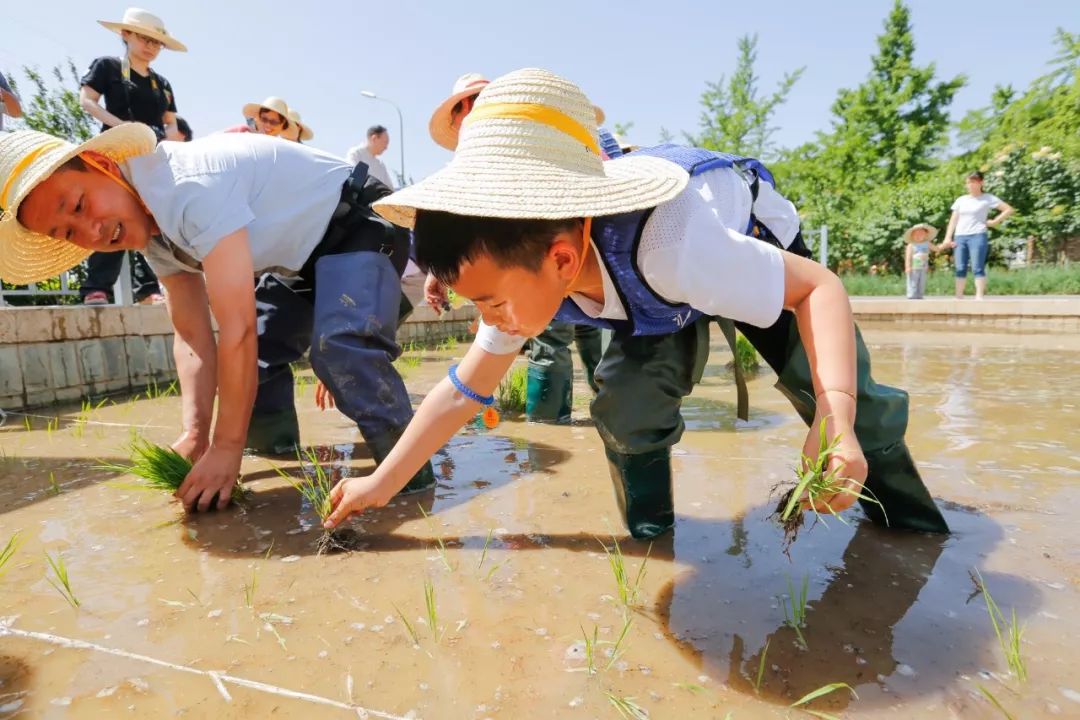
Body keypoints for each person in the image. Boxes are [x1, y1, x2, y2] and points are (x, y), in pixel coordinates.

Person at [322, 68, 949, 540]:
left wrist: (834, 417)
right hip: (650, 291)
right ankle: (652, 539)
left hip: (749, 249)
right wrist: (382, 483)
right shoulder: (525, 256)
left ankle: (912, 530)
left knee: (837, 400)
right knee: (624, 402)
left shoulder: (673, 244)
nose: (490, 322)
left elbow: (820, 288)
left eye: (489, 304)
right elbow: (460, 393)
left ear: (562, 261)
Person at [0, 125, 436, 512]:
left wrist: (227, 445)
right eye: (68, 233)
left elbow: (236, 328)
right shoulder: (151, 234)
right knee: (261, 358)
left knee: (339, 349)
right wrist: (197, 436)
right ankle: (279, 460)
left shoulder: (187, 188)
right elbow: (191, 335)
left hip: (360, 221)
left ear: (100, 164)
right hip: (302, 261)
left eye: (78, 205)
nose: (91, 231)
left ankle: (410, 482)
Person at [426, 72, 609, 421]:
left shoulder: (521, 146)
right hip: (560, 265)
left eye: (476, 102)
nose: (470, 111)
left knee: (580, 342)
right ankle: (559, 424)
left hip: (578, 262)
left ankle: (560, 421)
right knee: (566, 342)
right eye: (465, 106)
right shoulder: (476, 168)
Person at [77, 7, 184, 306]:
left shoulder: (162, 83)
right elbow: (87, 101)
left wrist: (170, 139)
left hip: (151, 157)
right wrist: (123, 127)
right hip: (113, 152)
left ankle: (148, 290)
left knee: (152, 220)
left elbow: (171, 121)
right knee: (111, 216)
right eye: (144, 38)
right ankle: (96, 288)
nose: (150, 46)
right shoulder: (108, 67)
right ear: (126, 35)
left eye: (157, 42)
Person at [940, 171, 1014, 299]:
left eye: (974, 182)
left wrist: (994, 221)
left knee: (977, 267)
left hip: (978, 235)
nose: (971, 185)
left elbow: (1008, 209)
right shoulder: (961, 200)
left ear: (981, 183)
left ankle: (979, 296)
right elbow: (953, 220)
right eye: (969, 182)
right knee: (960, 267)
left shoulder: (988, 198)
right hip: (960, 236)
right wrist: (948, 237)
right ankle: (958, 296)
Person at [902, 223, 939, 300]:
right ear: (912, 236)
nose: (919, 236)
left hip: (923, 266)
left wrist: (945, 245)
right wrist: (908, 266)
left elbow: (936, 248)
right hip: (914, 266)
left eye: (921, 234)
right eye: (916, 234)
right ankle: (912, 293)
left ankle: (920, 294)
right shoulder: (911, 245)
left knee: (922, 280)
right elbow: (908, 257)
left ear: (926, 235)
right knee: (913, 280)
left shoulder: (927, 243)